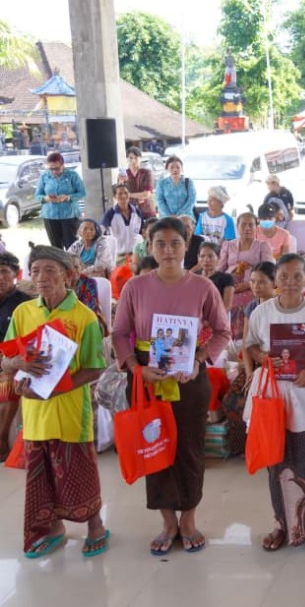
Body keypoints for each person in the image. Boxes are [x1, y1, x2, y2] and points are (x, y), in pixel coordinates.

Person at [112, 217, 231, 555]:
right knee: (154, 449)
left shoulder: (203, 287)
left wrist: (197, 360)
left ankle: (189, 518)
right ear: (149, 247)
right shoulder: (135, 287)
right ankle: (167, 521)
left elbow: (223, 331)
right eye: (160, 244)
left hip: (188, 379)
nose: (167, 250)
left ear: (186, 244)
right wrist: (136, 368)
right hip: (147, 381)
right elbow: (119, 334)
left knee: (190, 449)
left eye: (174, 243)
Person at [3, 246, 108, 558]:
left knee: (79, 471)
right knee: (42, 474)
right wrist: (19, 364)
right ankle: (53, 528)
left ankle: (96, 527)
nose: (41, 277)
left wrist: (56, 390)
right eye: (35, 270)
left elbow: (95, 367)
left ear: (68, 275)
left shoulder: (84, 317)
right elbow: (6, 358)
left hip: (71, 411)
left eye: (50, 270)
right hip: (34, 412)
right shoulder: (23, 313)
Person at [243, 254, 305, 552]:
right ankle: (281, 525)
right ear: (275, 280)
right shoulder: (262, 313)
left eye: (296, 277)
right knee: (276, 464)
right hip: (272, 399)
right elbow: (249, 345)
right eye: (283, 277)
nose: (289, 283)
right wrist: (263, 358)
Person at [218, 213, 274, 338]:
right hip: (229, 284)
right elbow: (220, 269)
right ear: (237, 227)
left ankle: (241, 340)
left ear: (256, 228)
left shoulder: (262, 246)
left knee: (239, 304)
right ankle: (223, 338)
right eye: (243, 224)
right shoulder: (228, 245)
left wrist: (248, 284)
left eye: (251, 225)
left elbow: (269, 270)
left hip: (253, 285)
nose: (247, 228)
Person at [0, 252, 31, 460]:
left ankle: (1, 439)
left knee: (11, 379)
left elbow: (27, 340)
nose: (0, 278)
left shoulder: (25, 305)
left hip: (11, 360)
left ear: (16, 274)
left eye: (4, 272)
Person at [35, 152, 86, 249]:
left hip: (69, 215)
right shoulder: (44, 176)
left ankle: (72, 264)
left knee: (72, 246)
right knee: (55, 247)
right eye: (51, 168)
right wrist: (46, 198)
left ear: (63, 165)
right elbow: (37, 195)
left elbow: (82, 192)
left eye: (57, 168)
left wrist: (68, 197)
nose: (54, 171)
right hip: (50, 215)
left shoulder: (72, 175)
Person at [102, 183, 144, 259]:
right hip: (118, 256)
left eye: (126, 193)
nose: (123, 196)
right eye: (120, 193)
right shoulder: (111, 213)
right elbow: (102, 228)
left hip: (136, 255)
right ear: (114, 196)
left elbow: (142, 232)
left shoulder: (137, 212)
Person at [193, 241, 235, 312]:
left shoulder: (226, 278)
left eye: (210, 256)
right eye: (202, 256)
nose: (206, 260)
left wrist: (213, 320)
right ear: (198, 258)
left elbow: (227, 306)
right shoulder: (194, 277)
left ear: (218, 258)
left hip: (217, 317)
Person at [120, 146, 156, 218]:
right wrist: (121, 182)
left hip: (146, 211)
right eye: (130, 158)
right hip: (130, 211)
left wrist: (129, 195)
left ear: (140, 159)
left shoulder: (146, 173)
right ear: (127, 159)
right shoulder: (124, 174)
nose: (133, 160)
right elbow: (120, 194)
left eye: (136, 158)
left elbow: (147, 194)